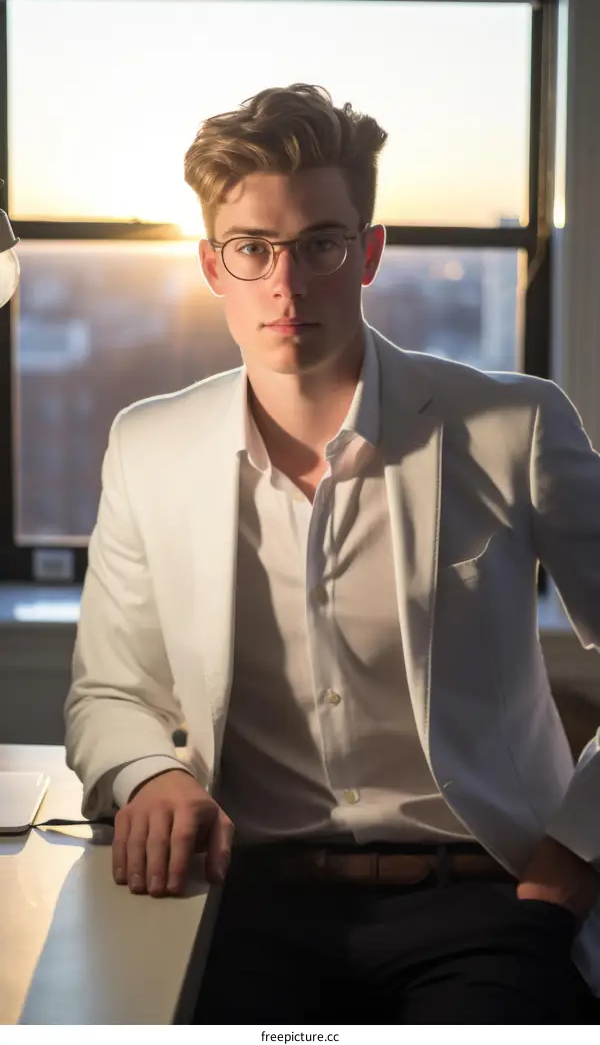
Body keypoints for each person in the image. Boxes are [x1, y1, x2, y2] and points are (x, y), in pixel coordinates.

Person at [64, 83, 600, 1025]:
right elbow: (108, 692)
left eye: (321, 243)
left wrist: (575, 855)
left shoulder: (512, 423)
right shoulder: (148, 445)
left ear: (370, 254)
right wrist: (153, 771)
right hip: (242, 900)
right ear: (211, 264)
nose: (287, 280)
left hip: (487, 896)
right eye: (253, 248)